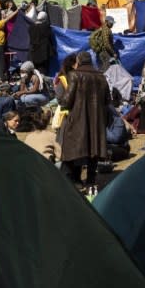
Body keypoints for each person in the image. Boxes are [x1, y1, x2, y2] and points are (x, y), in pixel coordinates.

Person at [59, 51, 110, 195]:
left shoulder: (74, 75)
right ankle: (90, 182)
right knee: (93, 151)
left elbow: (66, 101)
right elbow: (108, 100)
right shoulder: (101, 77)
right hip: (97, 121)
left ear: (79, 61)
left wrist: (62, 101)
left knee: (72, 150)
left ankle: (72, 181)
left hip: (78, 119)